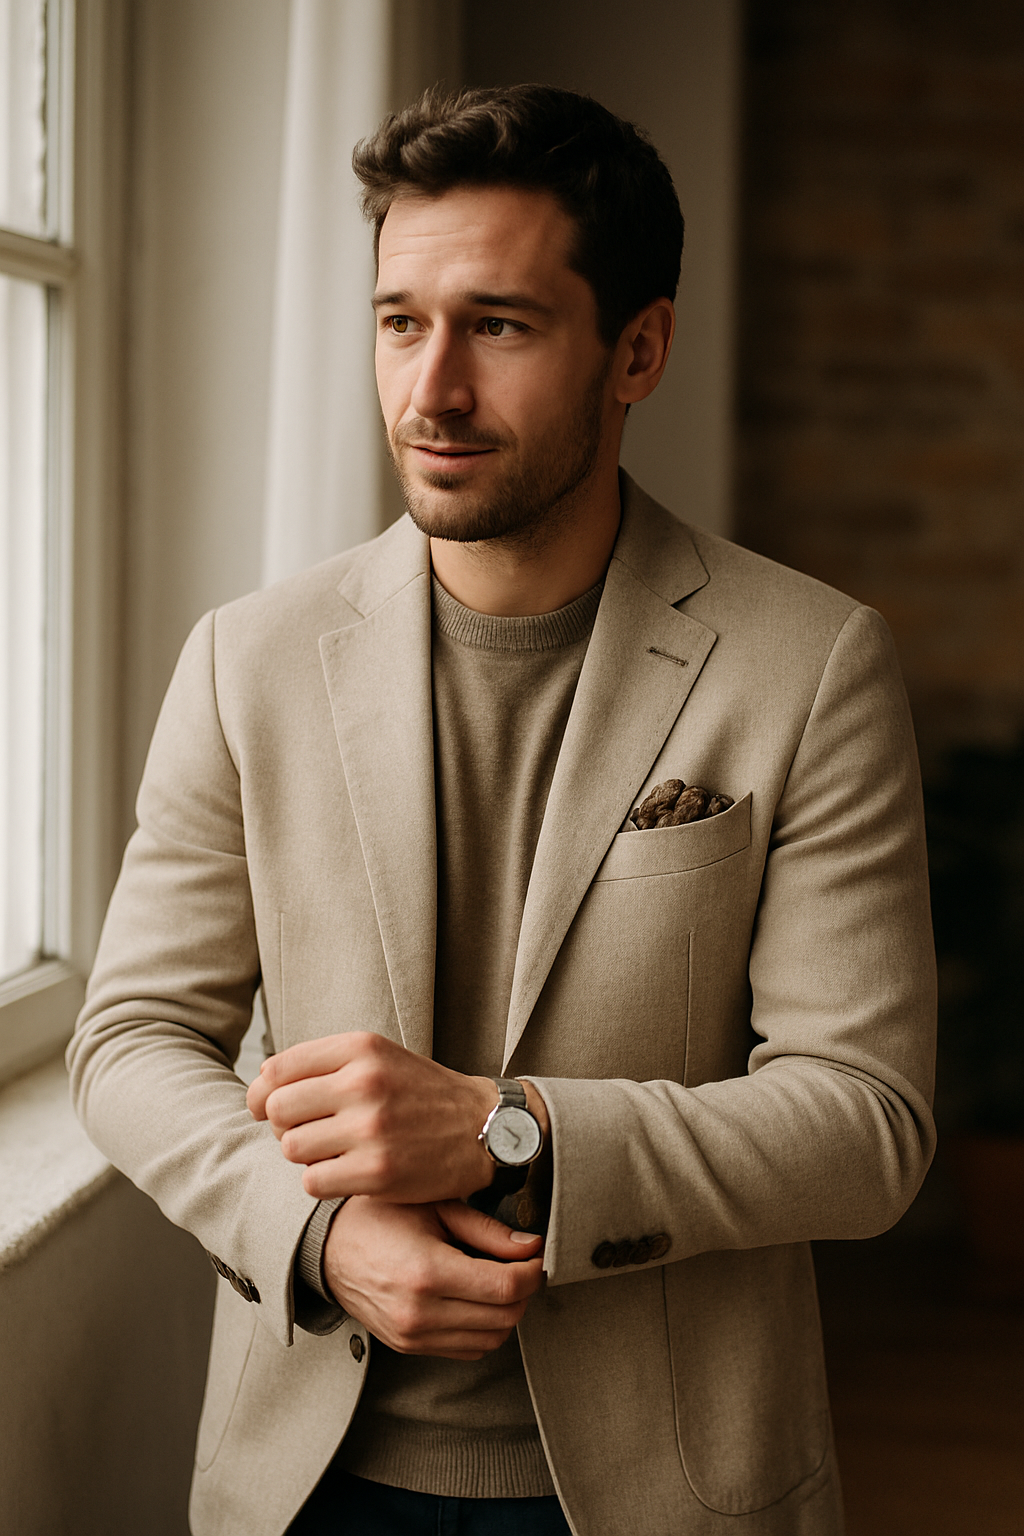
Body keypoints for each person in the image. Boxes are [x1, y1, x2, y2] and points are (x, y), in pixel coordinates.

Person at [68, 84, 936, 1536]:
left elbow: (868, 1124)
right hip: (304, 1483)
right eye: (400, 322)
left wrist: (506, 1133)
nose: (434, 391)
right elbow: (130, 1039)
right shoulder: (246, 659)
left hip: (673, 1491)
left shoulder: (811, 665)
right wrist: (318, 1236)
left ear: (637, 349)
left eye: (502, 326)